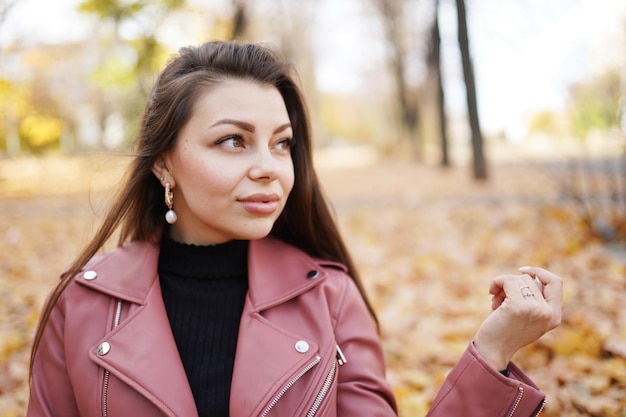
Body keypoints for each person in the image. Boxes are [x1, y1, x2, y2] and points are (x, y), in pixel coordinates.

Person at [27, 40, 563, 417]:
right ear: (163, 164)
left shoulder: (329, 297)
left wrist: (491, 355)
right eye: (233, 140)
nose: (269, 166)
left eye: (282, 143)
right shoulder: (82, 304)